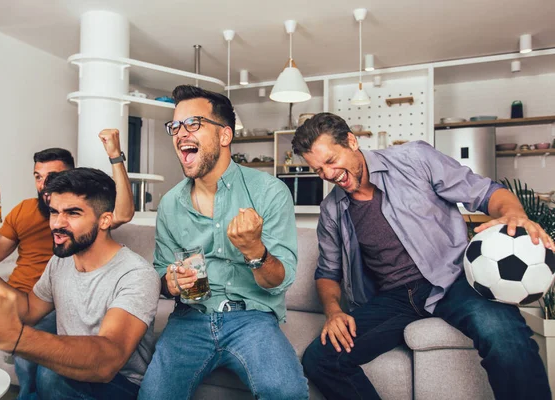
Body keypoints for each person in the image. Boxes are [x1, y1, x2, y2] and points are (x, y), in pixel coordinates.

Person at [292, 113, 553, 400]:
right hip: (394, 298)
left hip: (455, 279)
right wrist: (334, 311)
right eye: (318, 170)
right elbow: (328, 273)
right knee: (320, 359)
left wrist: (513, 214)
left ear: (351, 142)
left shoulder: (414, 159)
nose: (328, 175)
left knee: (504, 334)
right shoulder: (332, 209)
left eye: (331, 161)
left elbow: (486, 193)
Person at [137, 85, 308, 400]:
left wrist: (255, 251)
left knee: (286, 392)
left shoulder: (269, 192)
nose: (180, 133)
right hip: (190, 318)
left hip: (252, 318)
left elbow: (278, 283)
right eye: (175, 126)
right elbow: (160, 274)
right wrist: (170, 282)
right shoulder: (171, 204)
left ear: (225, 136)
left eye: (193, 124)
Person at [0, 129, 135, 395]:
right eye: (38, 177)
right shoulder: (24, 211)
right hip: (19, 297)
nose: (43, 186)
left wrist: (114, 157)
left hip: (51, 304)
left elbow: (121, 212)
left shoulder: (90, 220)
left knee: (36, 352)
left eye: (52, 178)